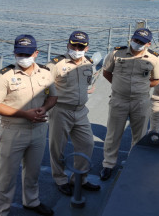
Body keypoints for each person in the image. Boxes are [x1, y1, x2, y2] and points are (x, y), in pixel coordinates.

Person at [0, 34, 58, 216]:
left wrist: (44, 108)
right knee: (6, 176)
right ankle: (1, 211)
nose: (23, 58)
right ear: (14, 53)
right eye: (19, 54)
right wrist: (24, 114)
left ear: (36, 53)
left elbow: (53, 96)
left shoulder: (45, 73)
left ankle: (32, 201)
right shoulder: (3, 76)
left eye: (27, 54)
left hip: (39, 129)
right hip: (13, 131)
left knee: (33, 171)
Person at [100, 28, 159, 181]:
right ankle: (108, 164)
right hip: (118, 100)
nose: (137, 44)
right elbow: (107, 72)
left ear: (148, 44)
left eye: (141, 42)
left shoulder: (154, 59)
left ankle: (133, 163)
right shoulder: (116, 53)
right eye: (136, 40)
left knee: (139, 135)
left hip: (140, 101)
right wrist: (119, 86)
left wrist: (140, 88)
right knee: (113, 134)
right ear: (131, 39)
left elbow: (156, 79)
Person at [47, 31, 100, 196]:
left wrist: (88, 91)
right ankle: (60, 179)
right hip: (60, 110)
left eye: (81, 46)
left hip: (81, 111)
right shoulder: (55, 64)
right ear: (68, 45)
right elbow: (44, 89)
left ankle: (80, 179)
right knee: (58, 148)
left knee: (87, 144)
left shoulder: (89, 64)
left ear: (87, 47)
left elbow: (86, 84)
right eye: (73, 45)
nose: (76, 48)